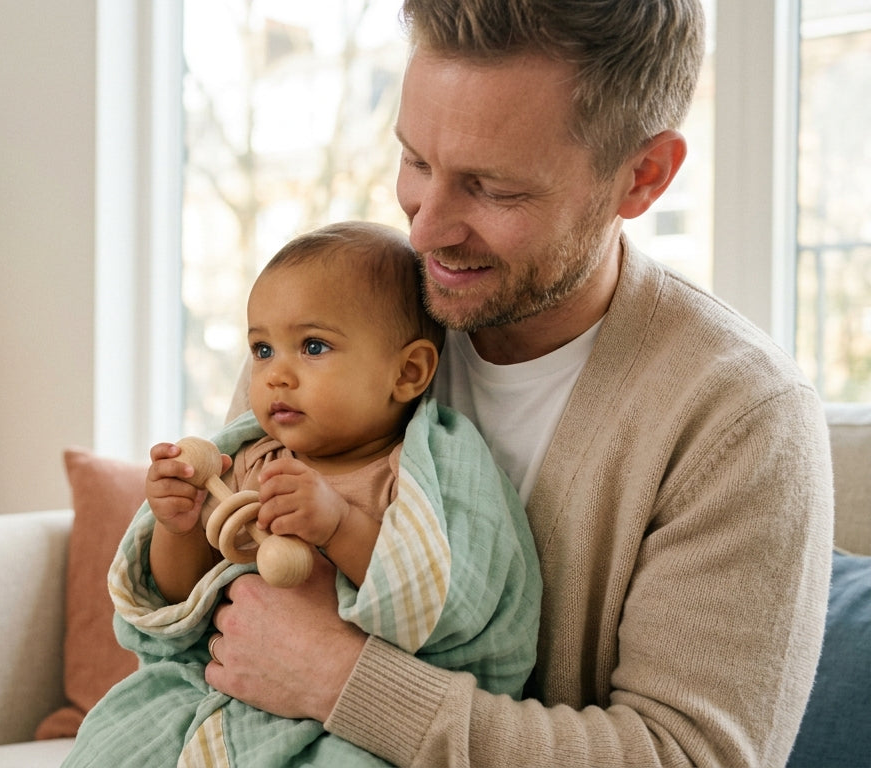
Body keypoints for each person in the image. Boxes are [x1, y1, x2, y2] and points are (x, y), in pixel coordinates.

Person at [204, 1, 836, 766]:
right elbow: (224, 624)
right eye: (415, 161)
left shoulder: (737, 417)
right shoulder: (337, 325)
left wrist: (342, 680)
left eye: (493, 189)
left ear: (643, 176)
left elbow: (688, 756)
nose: (426, 229)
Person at [65, 221, 540, 765]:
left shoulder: (424, 472)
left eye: (313, 346)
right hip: (225, 689)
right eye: (262, 349)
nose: (275, 375)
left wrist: (338, 525)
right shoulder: (252, 459)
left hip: (355, 722)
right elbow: (182, 600)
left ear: (407, 372)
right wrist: (179, 526)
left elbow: (443, 597)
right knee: (115, 735)